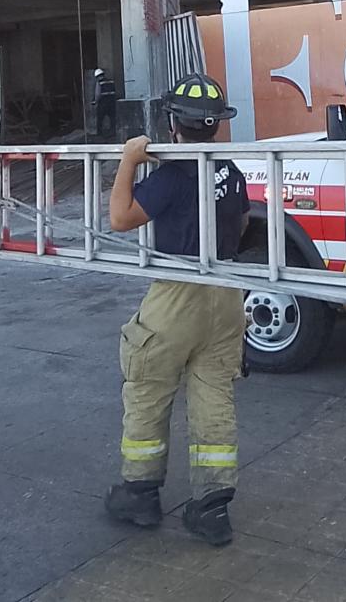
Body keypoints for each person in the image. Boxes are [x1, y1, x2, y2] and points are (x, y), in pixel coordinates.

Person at [103, 72, 250, 546]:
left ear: (173, 124)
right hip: (227, 292)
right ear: (215, 127)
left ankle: (140, 493)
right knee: (214, 398)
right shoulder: (229, 171)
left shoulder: (171, 175)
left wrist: (129, 160)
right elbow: (243, 221)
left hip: (177, 292)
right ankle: (211, 507)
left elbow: (122, 218)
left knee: (148, 387)